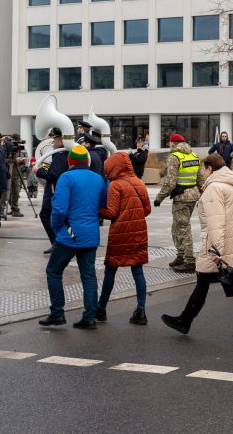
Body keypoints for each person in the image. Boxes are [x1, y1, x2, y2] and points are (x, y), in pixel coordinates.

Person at [161, 154, 233, 337]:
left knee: (204, 282)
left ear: (209, 168)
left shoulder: (214, 188)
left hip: (218, 245)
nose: (202, 173)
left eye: (203, 169)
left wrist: (217, 250)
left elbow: (215, 222)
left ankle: (184, 321)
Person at [38, 145, 107, 329]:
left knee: (53, 271)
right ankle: (90, 317)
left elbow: (59, 209)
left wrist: (57, 228)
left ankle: (57, 313)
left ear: (70, 162)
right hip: (91, 234)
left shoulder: (66, 177)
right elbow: (102, 205)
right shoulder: (99, 179)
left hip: (70, 235)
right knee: (89, 276)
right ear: (87, 161)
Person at [97, 152, 151, 325]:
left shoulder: (115, 185)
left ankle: (101, 308)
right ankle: (140, 310)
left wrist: (96, 209)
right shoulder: (139, 182)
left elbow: (111, 212)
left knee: (110, 271)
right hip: (138, 232)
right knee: (138, 272)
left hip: (120, 234)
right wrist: (133, 216)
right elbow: (147, 209)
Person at [154, 133, 203, 273]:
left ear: (173, 143)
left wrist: (159, 198)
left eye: (170, 143)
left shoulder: (174, 157)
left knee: (183, 228)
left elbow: (169, 182)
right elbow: (201, 179)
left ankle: (189, 261)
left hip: (181, 197)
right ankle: (180, 256)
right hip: (193, 195)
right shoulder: (194, 156)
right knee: (177, 226)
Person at [36, 128, 69, 252]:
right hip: (55, 191)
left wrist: (38, 171)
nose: (52, 142)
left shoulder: (60, 155)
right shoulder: (61, 153)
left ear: (60, 140)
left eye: (54, 139)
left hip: (54, 191)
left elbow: (54, 175)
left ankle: (57, 242)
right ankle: (58, 242)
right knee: (54, 216)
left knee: (45, 215)